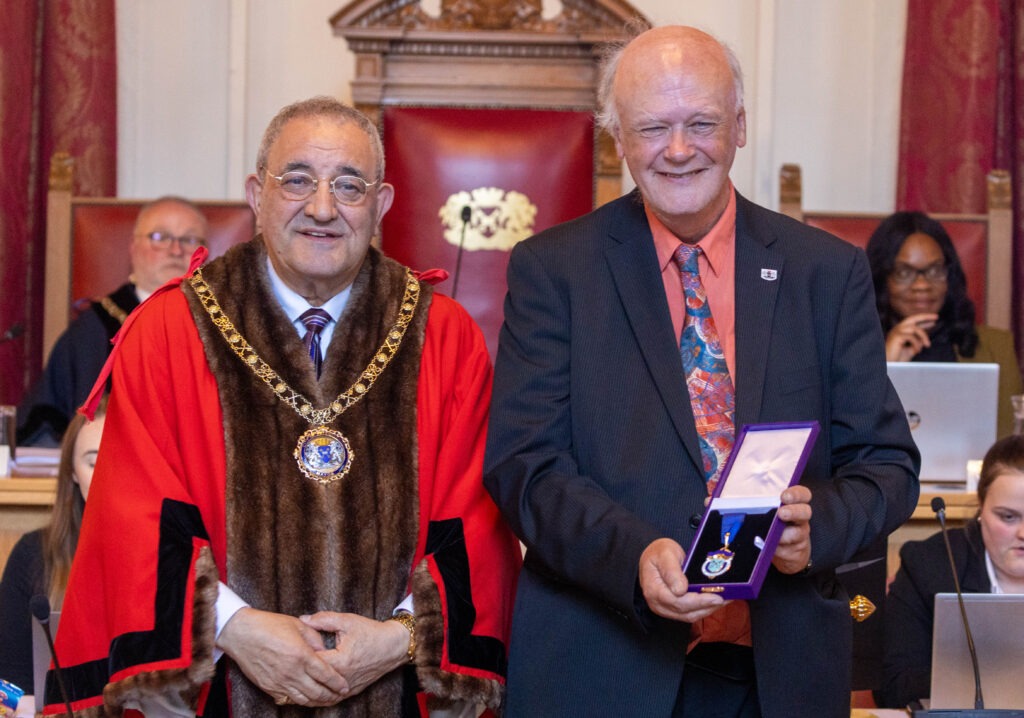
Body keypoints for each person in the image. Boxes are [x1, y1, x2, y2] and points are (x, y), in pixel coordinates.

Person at [483, 25, 919, 718]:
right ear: (617, 140)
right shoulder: (552, 271)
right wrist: (633, 557)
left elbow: (888, 465)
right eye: (653, 127)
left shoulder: (825, 273)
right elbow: (523, 466)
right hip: (602, 666)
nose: (679, 150)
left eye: (702, 123)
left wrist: (819, 529)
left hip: (777, 673)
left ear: (739, 126)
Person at [46, 97, 520, 717]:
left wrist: (400, 639)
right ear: (256, 194)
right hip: (217, 690)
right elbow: (136, 513)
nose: (322, 208)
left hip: (395, 691)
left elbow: (477, 524)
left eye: (349, 186)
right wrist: (234, 627)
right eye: (296, 180)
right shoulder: (170, 329)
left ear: (380, 206)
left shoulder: (444, 336)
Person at [16, 197, 209, 446]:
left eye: (190, 240)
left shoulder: (226, 326)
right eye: (160, 238)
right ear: (133, 248)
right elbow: (47, 421)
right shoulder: (93, 330)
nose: (176, 250)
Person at [877, 434, 1024, 708]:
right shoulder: (930, 565)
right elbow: (892, 685)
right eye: (1008, 516)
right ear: (981, 509)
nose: (1023, 533)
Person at [865, 210, 1023, 437]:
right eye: (903, 272)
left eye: (934, 270)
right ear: (882, 278)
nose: (922, 285)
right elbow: (848, 441)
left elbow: (1011, 443)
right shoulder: (855, 349)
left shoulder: (996, 347)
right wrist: (886, 366)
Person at [0, 399, 106, 695]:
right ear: (72, 472)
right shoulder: (34, 555)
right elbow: (11, 685)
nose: (107, 476)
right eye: (93, 462)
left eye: (120, 458)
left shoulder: (171, 555)